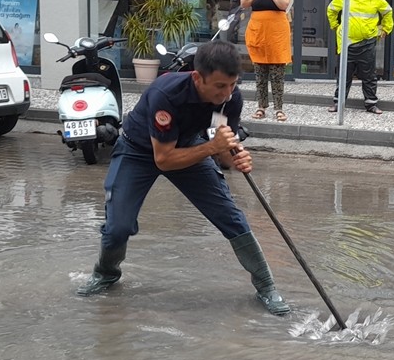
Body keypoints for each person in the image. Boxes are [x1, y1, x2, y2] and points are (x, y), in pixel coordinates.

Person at [73, 41, 291, 317]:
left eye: (232, 85)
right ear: (198, 77)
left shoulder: (230, 99)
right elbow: (163, 158)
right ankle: (106, 273)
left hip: (190, 147)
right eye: (220, 86)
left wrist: (236, 159)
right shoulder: (166, 93)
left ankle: (267, 286)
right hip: (139, 152)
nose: (227, 93)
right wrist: (213, 148)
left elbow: (221, 147)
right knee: (119, 226)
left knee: (231, 217)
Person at [327, 0, 394, 114]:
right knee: (344, 75)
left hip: (367, 42)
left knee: (369, 75)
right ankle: (338, 104)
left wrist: (386, 29)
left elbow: (388, 12)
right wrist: (334, 25)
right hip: (347, 43)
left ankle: (371, 104)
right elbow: (331, 9)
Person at [240, 0, 293, 122]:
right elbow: (244, 3)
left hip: (276, 35)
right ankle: (261, 107)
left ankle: (279, 108)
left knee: (277, 74)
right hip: (258, 33)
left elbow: (283, 4)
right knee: (260, 74)